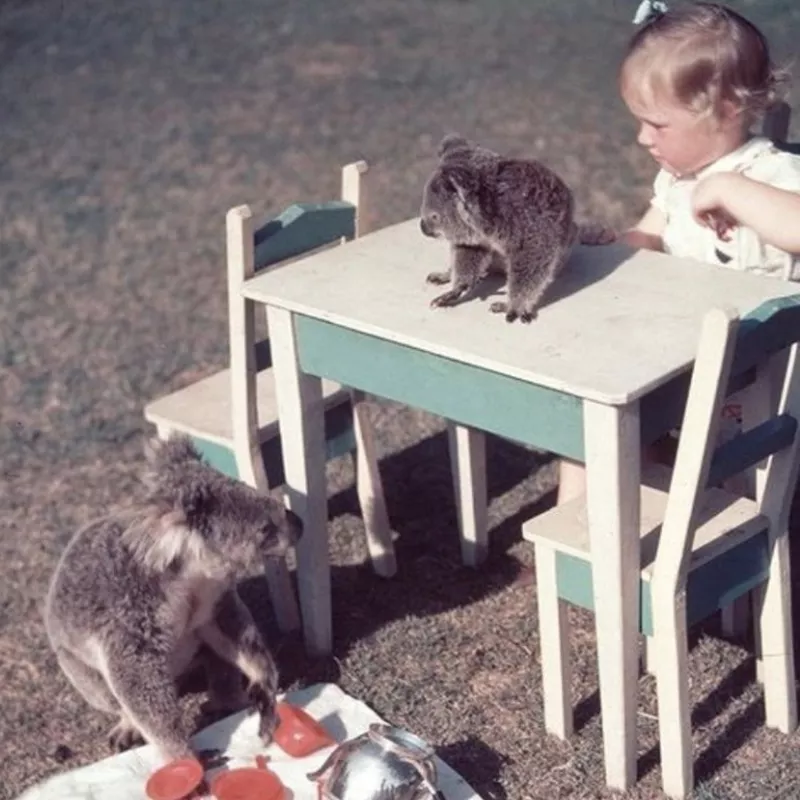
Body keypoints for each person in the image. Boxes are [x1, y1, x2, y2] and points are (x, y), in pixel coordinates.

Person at [558, 1, 800, 504]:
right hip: (683, 362)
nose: (642, 138)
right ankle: (592, 525)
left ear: (727, 110)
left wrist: (729, 189)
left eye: (658, 125)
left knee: (611, 409)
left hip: (755, 382)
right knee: (593, 410)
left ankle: (631, 522)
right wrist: (612, 249)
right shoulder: (677, 180)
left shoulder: (767, 173)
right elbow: (648, 237)